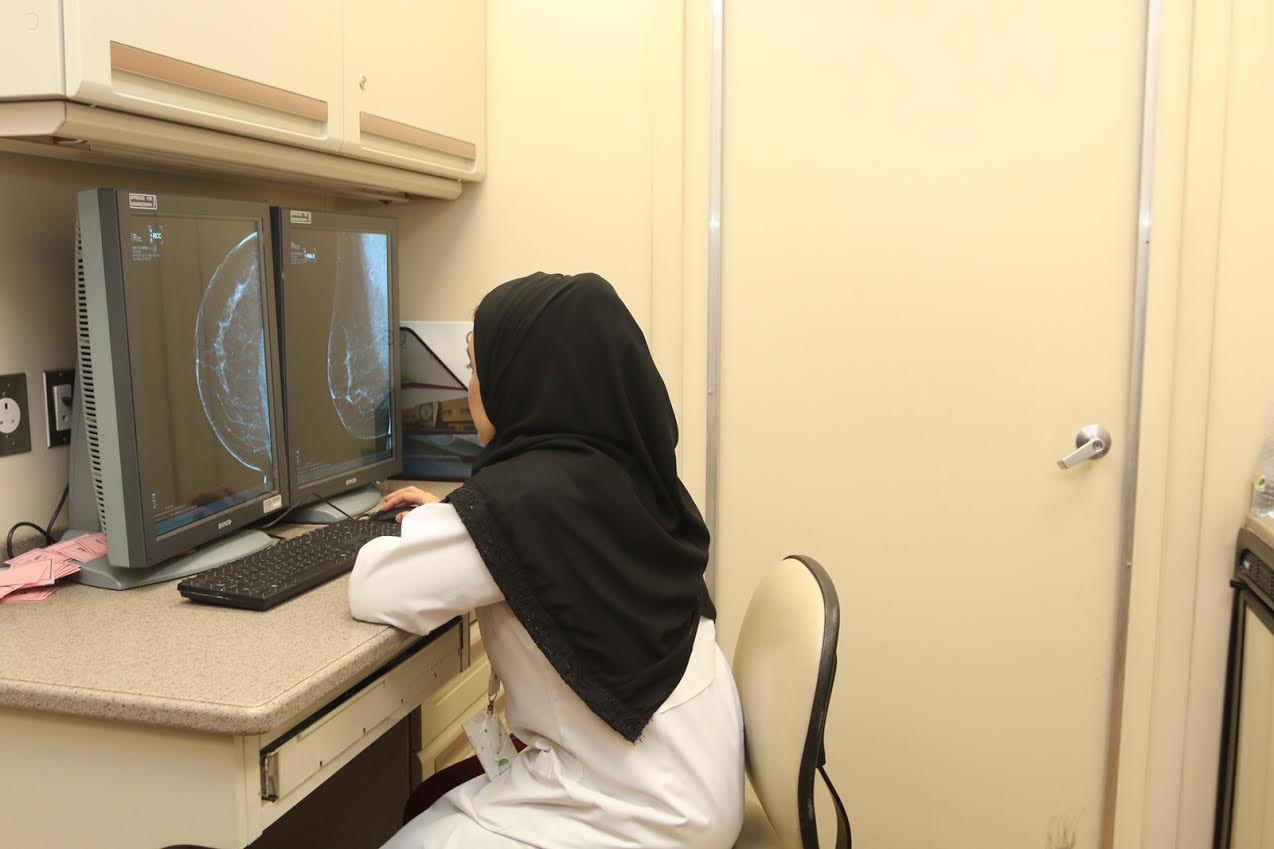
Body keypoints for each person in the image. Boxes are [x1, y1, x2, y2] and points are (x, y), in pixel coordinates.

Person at [349, 272, 744, 849]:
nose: (471, 387)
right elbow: (533, 540)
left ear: (523, 377)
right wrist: (465, 520)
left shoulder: (525, 502)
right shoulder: (621, 470)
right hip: (698, 776)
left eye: (477, 366)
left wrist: (455, 523)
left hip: (635, 813)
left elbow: (375, 587)